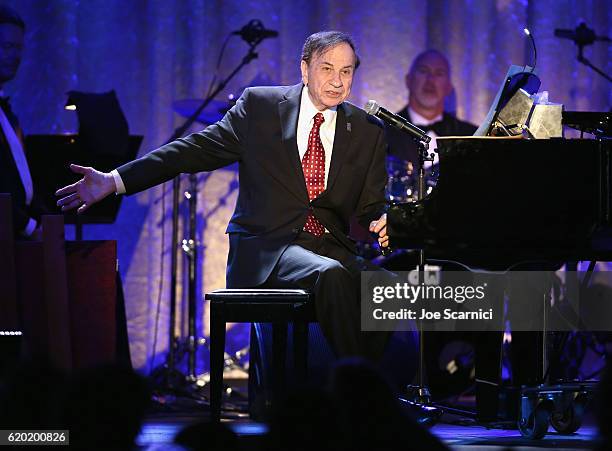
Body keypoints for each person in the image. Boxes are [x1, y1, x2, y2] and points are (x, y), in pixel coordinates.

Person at [56, 31, 390, 361]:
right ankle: (358, 395)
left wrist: (387, 222)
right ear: (305, 70)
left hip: (328, 247)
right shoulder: (261, 107)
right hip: (268, 250)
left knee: (388, 285)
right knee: (330, 275)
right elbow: (190, 150)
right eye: (327, 68)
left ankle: (371, 384)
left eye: (346, 72)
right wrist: (115, 180)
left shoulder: (366, 129)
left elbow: (371, 206)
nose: (337, 81)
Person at [387, 49, 477, 168]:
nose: (430, 79)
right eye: (423, 71)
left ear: (448, 87)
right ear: (408, 80)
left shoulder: (471, 137)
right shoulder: (382, 133)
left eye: (439, 73)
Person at [0, 5, 45, 238]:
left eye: (19, 48)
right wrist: (29, 227)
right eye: (7, 47)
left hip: (14, 235)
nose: (16, 57)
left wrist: (44, 222)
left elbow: (22, 185)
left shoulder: (8, 113)